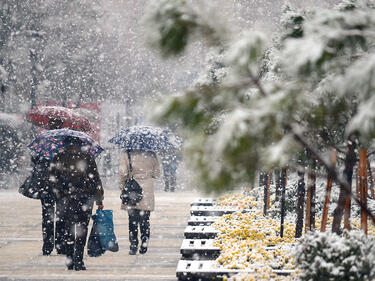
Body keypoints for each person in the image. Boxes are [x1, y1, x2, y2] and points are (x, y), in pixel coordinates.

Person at [50, 138, 104, 270]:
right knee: (82, 229)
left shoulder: (58, 157)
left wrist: (59, 193)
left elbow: (52, 179)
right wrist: (99, 200)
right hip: (85, 199)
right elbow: (95, 179)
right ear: (81, 145)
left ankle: (69, 259)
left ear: (65, 144)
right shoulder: (87, 157)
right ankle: (79, 260)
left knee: (68, 229)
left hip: (66, 199)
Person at [119, 150, 160, 255]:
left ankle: (133, 246)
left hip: (132, 189)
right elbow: (157, 174)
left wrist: (122, 185)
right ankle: (144, 244)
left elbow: (122, 172)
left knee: (132, 220)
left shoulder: (127, 154)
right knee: (145, 220)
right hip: (146, 190)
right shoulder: (151, 154)